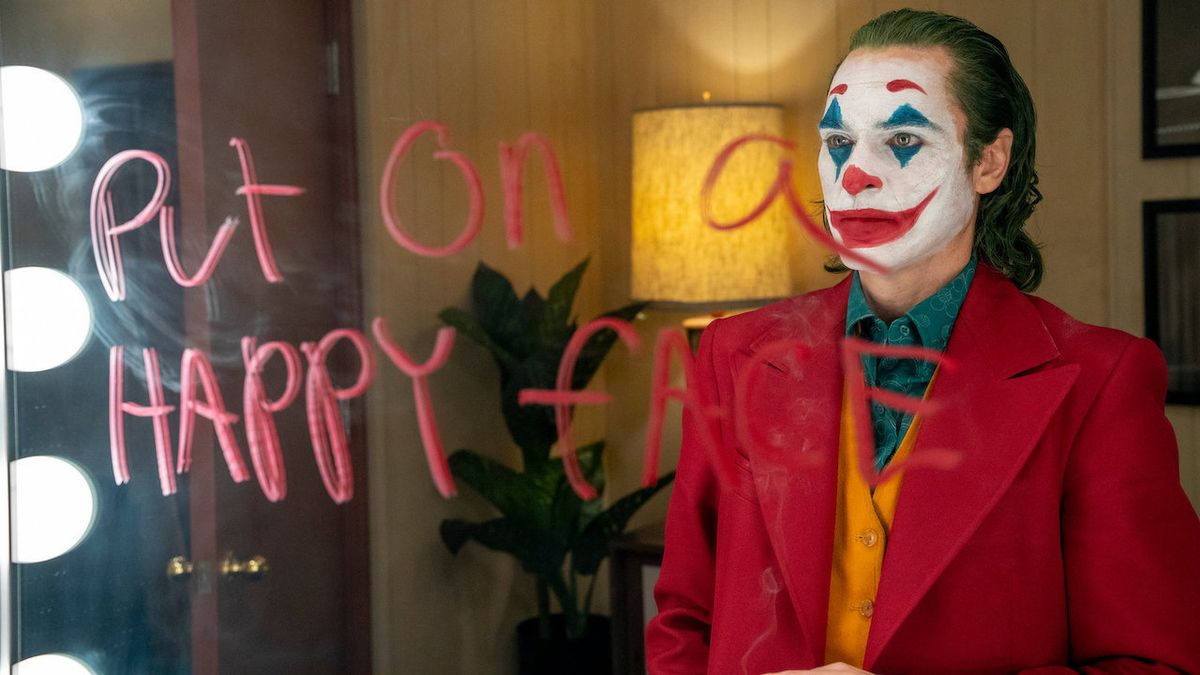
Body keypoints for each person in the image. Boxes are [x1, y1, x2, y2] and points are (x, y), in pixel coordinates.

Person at [645, 9, 1200, 674]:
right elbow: (684, 619)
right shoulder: (733, 356)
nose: (854, 175)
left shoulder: (1101, 381)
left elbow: (1152, 665)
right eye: (838, 141)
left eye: (903, 140)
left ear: (989, 161)